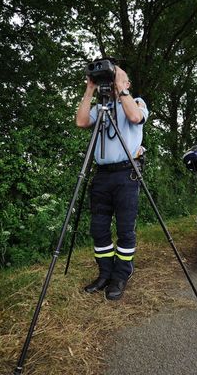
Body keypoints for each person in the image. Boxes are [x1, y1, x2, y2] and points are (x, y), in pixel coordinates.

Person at [75, 66, 148, 300]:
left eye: (120, 80)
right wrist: (89, 89)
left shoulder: (136, 102)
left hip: (127, 174)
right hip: (102, 175)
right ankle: (105, 273)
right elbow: (81, 122)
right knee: (98, 228)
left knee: (125, 229)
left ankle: (121, 275)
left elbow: (135, 117)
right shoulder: (100, 108)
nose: (114, 83)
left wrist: (120, 85)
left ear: (126, 84)